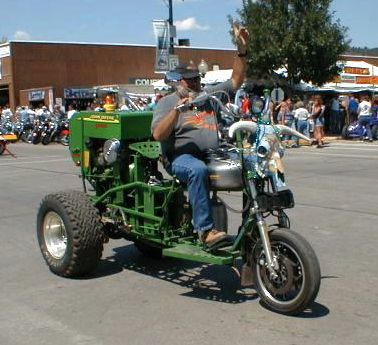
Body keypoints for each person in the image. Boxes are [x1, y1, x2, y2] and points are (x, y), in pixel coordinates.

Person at [151, 24, 249, 248]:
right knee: (197, 171)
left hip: (210, 153)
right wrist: (177, 111)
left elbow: (236, 80)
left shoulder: (207, 97)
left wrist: (242, 50)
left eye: (197, 79)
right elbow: (158, 134)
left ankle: (251, 223)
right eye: (190, 80)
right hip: (180, 158)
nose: (195, 83)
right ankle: (205, 231)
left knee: (248, 162)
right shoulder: (166, 103)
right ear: (179, 82)